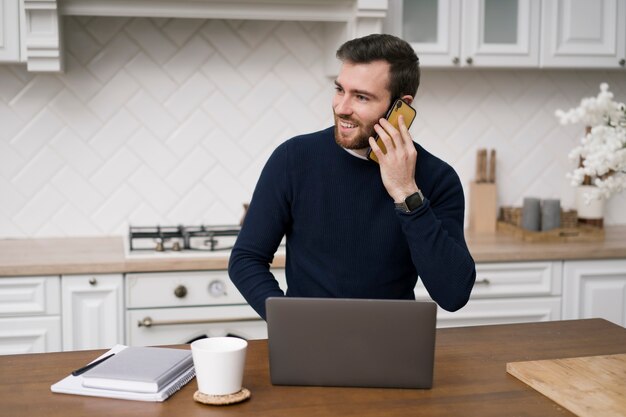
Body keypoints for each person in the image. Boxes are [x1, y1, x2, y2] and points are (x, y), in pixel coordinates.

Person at [229, 34, 476, 320]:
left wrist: (405, 192)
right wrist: (290, 322)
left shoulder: (436, 178)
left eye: (361, 97)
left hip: (392, 347)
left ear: (401, 107)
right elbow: (246, 260)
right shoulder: (293, 159)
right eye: (339, 90)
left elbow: (453, 294)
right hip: (305, 345)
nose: (341, 107)